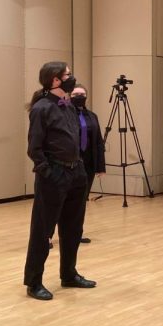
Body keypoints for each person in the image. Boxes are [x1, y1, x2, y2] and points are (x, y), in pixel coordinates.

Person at [24, 62, 96, 301]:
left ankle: (69, 273)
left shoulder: (68, 106)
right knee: (43, 232)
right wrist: (48, 172)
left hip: (76, 174)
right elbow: (34, 148)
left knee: (73, 228)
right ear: (55, 80)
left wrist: (81, 171)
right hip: (54, 175)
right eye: (67, 74)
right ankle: (34, 282)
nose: (71, 77)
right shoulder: (42, 108)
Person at [71, 84, 106, 243]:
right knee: (62, 200)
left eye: (82, 93)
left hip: (88, 164)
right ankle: (48, 236)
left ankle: (76, 233)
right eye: (75, 93)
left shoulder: (92, 116)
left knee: (81, 200)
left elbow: (98, 142)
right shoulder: (65, 114)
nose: (79, 96)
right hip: (69, 162)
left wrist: (100, 166)